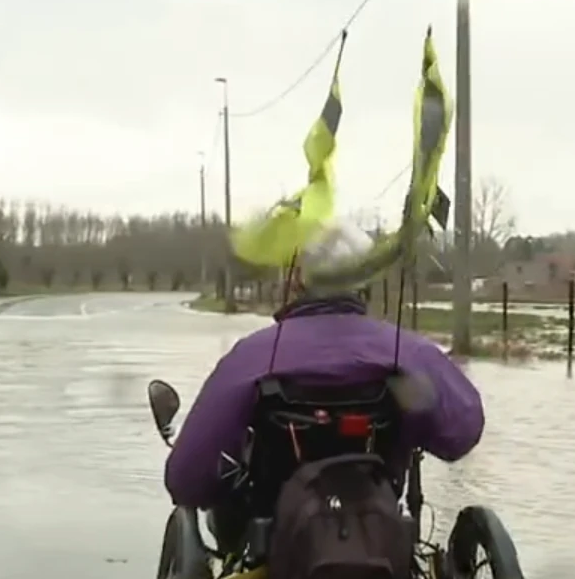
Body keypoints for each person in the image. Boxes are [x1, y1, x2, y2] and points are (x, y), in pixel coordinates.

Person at [163, 220, 486, 559]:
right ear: (365, 279)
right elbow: (460, 435)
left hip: (275, 532)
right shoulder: (408, 352)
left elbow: (186, 477)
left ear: (301, 277)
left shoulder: (254, 355)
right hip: (380, 522)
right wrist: (411, 421)